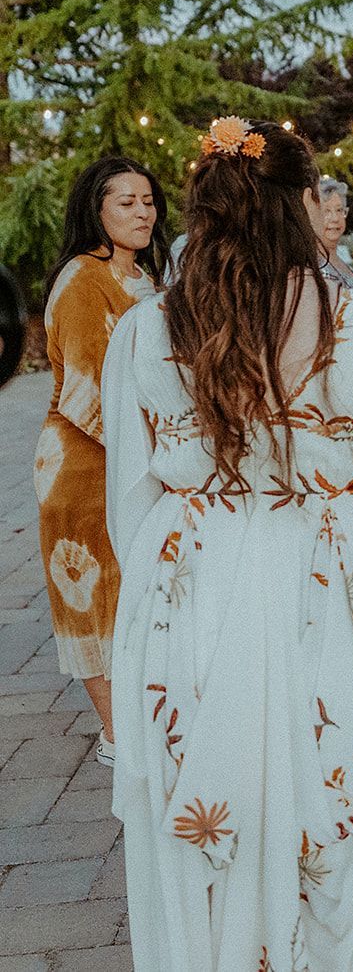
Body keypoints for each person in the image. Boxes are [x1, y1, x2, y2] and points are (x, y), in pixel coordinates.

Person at [103, 118, 353, 970]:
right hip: (323, 574)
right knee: (339, 798)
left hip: (188, 582)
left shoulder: (143, 331)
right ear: (297, 204)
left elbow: (128, 504)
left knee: (205, 815)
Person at [35, 156, 166, 767]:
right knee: (96, 593)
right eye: (126, 203)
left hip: (141, 458)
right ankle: (117, 736)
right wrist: (164, 452)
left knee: (139, 592)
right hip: (86, 466)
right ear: (97, 210)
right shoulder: (82, 280)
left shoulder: (149, 280)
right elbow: (85, 387)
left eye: (148, 201)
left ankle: (143, 724)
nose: (143, 212)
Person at [314, 177, 353, 291]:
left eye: (339, 210)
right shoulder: (309, 267)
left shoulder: (345, 261)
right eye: (326, 211)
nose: (335, 218)